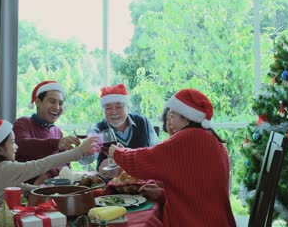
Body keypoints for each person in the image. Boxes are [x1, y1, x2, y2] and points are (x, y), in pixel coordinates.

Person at [109, 89, 236, 226]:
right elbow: (195, 192)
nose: (169, 122)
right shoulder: (213, 140)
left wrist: (118, 153)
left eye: (172, 115)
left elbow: (143, 161)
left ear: (186, 117)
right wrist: (163, 194)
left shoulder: (184, 140)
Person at [0, 119, 99, 215]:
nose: (16, 147)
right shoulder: (5, 168)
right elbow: (40, 165)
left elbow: (24, 188)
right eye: (12, 142)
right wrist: (78, 151)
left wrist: (55, 191)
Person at [13, 80, 80, 185]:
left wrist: (48, 174)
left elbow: (65, 163)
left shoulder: (57, 132)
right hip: (22, 191)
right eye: (52, 102)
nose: (57, 107)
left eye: (60, 103)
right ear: (38, 102)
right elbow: (22, 146)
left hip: (47, 190)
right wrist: (56, 143)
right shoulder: (23, 123)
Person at [87, 83, 157, 171]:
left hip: (142, 179)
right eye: (108, 108)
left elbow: (155, 154)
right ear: (103, 111)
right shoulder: (97, 129)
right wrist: (85, 151)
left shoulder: (143, 122)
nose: (114, 112)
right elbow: (87, 160)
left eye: (119, 106)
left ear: (128, 107)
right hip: (108, 182)